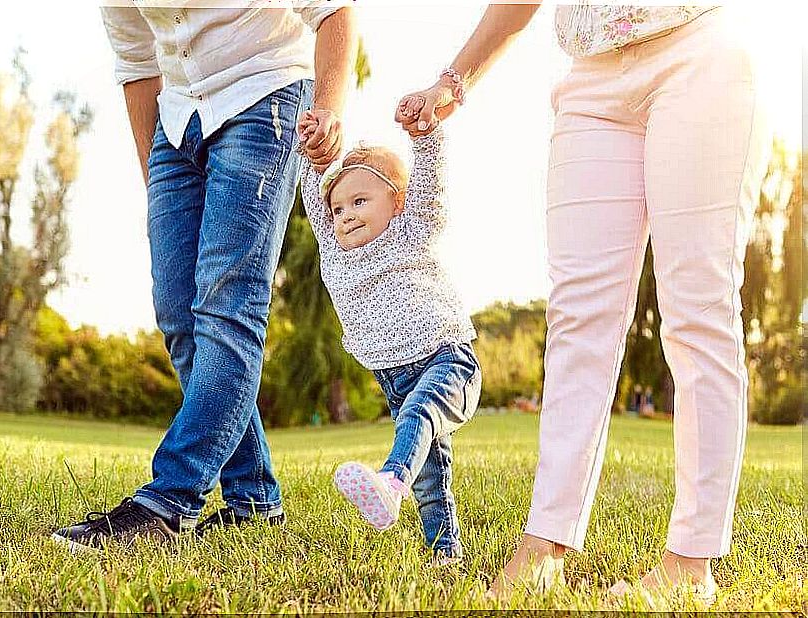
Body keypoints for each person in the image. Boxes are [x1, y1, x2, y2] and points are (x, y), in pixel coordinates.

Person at [396, 4, 765, 601]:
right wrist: (452, 81)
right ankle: (544, 545)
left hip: (698, 53)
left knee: (698, 311)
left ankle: (690, 563)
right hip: (591, 80)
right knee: (577, 317)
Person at [51, 5, 356, 550]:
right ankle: (254, 500)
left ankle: (168, 499)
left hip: (264, 98)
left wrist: (330, 106)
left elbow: (333, 11)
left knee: (225, 305)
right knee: (177, 311)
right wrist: (160, 194)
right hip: (175, 120)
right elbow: (137, 66)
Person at [298, 108, 481, 564]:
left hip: (447, 360)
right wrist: (311, 146)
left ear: (396, 202)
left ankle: (390, 481)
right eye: (338, 209)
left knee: (420, 416)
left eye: (360, 201)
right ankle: (446, 555)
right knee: (432, 477)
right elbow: (311, 189)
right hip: (393, 377)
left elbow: (428, 181)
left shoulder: (412, 228)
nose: (345, 215)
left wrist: (424, 135)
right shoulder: (337, 253)